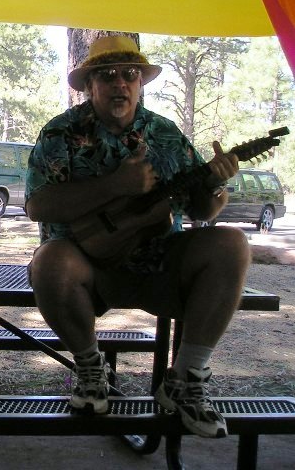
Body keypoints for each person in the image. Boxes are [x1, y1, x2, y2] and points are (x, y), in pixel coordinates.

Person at [25, 35, 250, 439]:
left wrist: (215, 188)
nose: (120, 84)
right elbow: (38, 205)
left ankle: (185, 380)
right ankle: (91, 369)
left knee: (232, 244)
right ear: (90, 85)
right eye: (107, 75)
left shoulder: (164, 134)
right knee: (48, 262)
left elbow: (201, 210)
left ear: (140, 83)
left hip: (158, 265)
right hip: (85, 266)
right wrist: (115, 185)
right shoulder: (60, 133)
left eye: (130, 75)